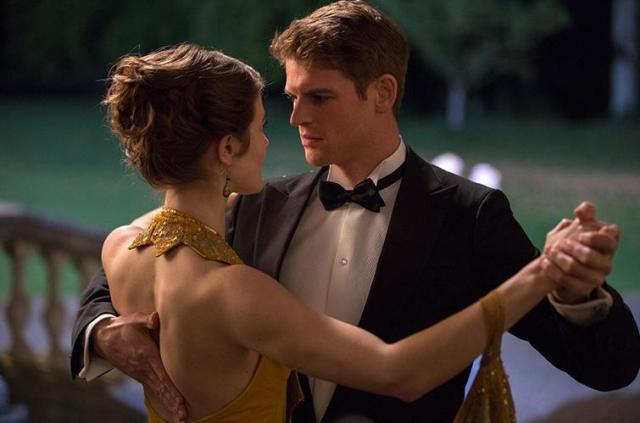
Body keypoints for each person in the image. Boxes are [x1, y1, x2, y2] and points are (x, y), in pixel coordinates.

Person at [71, 1, 640, 422]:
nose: (296, 118)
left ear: (383, 94)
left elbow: (608, 368)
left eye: (318, 97)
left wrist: (574, 294)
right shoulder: (251, 204)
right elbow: (120, 283)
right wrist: (101, 333)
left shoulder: (469, 216)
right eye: (291, 98)